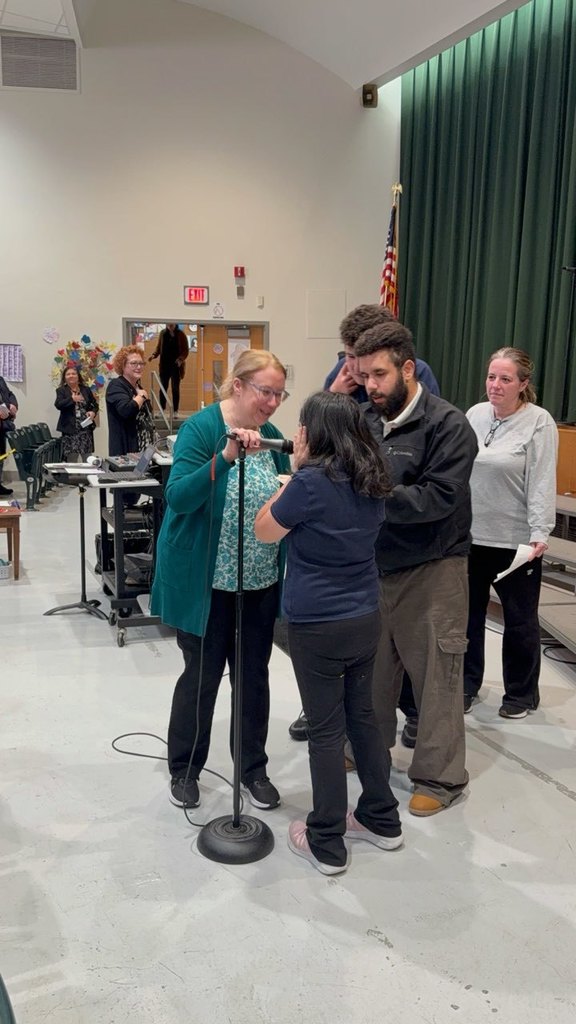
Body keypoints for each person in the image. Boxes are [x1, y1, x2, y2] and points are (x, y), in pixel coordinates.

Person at [255, 391, 402, 875]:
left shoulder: (311, 482)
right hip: (364, 616)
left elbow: (264, 530)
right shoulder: (374, 478)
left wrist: (296, 472)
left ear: (312, 433)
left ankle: (326, 841)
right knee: (363, 717)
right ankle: (381, 818)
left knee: (325, 729)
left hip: (317, 623)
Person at [289, 302, 438, 747]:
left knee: (401, 638)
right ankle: (324, 708)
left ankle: (410, 711)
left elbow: (411, 430)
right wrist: (337, 387)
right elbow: (314, 431)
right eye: (350, 354)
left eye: (363, 358)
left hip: (388, 509)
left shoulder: (418, 373)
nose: (356, 366)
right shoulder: (342, 371)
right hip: (344, 503)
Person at [150, 350, 291, 811]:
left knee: (253, 679)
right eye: (265, 392)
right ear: (239, 386)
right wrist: (226, 457)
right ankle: (185, 768)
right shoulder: (202, 429)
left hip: (259, 583)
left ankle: (252, 769)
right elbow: (179, 497)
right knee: (203, 677)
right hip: (206, 584)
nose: (272, 403)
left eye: (279, 394)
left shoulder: (270, 436)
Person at [356, 319, 478, 817]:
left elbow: (438, 498)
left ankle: (439, 776)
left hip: (435, 568)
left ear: (408, 368)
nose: (371, 385)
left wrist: (368, 496)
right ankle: (365, 750)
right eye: (364, 375)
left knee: (437, 678)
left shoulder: (448, 425)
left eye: (380, 374)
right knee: (372, 671)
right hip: (374, 566)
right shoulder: (363, 420)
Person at [464, 348, 558, 719]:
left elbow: (541, 481)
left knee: (520, 622)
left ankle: (521, 694)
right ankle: (467, 686)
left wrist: (540, 532)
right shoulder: (474, 414)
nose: (495, 385)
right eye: (491, 377)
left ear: (523, 384)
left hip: (517, 541)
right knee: (468, 618)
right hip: (472, 537)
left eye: (505, 379)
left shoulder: (539, 422)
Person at [105, 346, 154, 456]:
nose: (139, 367)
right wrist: (141, 396)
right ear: (123, 365)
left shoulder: (137, 387)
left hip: (142, 450)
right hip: (125, 451)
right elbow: (126, 410)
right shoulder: (116, 385)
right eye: (134, 363)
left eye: (141, 363)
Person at [54, 366, 98, 462]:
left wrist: (93, 412)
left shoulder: (85, 390)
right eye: (68, 374)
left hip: (85, 428)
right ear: (65, 377)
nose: (71, 376)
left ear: (78, 376)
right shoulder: (61, 390)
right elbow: (58, 405)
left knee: (87, 457)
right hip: (70, 429)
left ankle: (88, 476)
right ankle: (71, 477)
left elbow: (94, 404)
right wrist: (72, 399)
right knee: (71, 458)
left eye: (73, 374)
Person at [148, 323, 189, 414]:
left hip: (176, 366)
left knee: (175, 388)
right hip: (164, 366)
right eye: (168, 324)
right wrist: (154, 355)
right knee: (163, 388)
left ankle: (175, 411)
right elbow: (158, 347)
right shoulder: (163, 333)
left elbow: (185, 350)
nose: (169, 325)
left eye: (171, 324)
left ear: (175, 324)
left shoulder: (180, 334)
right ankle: (162, 409)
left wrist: (180, 359)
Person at [0, 376, 18, 496]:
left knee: (1, 456)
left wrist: (13, 404)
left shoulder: (0, 379)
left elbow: (10, 394)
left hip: (2, 425)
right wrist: (6, 405)